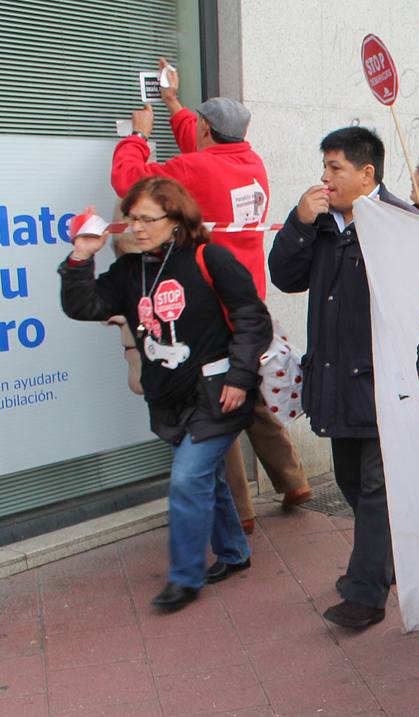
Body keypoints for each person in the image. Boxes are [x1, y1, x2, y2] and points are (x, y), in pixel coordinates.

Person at [110, 60, 311, 532]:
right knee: (254, 395)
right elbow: (199, 151)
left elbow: (130, 185)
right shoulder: (250, 162)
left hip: (210, 308)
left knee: (213, 407)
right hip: (249, 302)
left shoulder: (196, 168)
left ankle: (239, 513)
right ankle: (292, 479)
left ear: (205, 129)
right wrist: (175, 104)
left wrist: (137, 137)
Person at [60, 177, 271, 609]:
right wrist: (81, 256)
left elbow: (253, 317)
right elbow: (85, 306)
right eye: (131, 218)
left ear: (176, 220)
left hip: (217, 393)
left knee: (187, 478)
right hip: (169, 397)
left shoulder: (209, 257)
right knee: (205, 479)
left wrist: (240, 376)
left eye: (147, 219)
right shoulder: (130, 270)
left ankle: (184, 578)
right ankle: (234, 553)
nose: (136, 227)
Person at [268, 126, 418, 630]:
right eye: (325, 168)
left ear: (367, 173)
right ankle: (384, 561)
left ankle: (365, 595)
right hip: (333, 380)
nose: (325, 179)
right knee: (354, 484)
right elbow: (285, 277)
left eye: (336, 168)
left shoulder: (400, 221)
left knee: (375, 487)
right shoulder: (321, 222)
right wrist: (299, 222)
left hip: (382, 383)